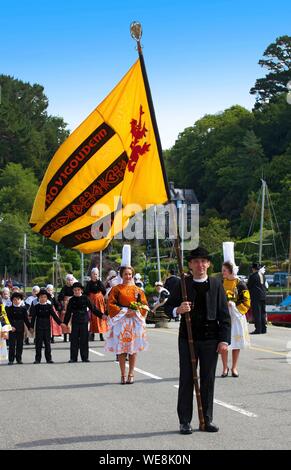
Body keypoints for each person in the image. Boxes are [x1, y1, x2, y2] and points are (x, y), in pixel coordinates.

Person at [165, 246, 231, 434]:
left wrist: (224, 340)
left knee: (207, 380)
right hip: (188, 339)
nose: (200, 265)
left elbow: (224, 315)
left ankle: (206, 420)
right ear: (190, 265)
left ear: (208, 264)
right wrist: (178, 310)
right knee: (187, 379)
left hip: (211, 340)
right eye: (196, 261)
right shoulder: (183, 284)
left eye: (203, 261)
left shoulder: (217, 284)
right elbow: (168, 307)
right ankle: (185, 420)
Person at [105, 265, 149, 384]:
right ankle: (123, 374)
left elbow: (144, 304)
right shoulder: (116, 289)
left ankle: (131, 373)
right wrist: (124, 311)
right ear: (121, 275)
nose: (128, 276)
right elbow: (111, 304)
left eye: (130, 274)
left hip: (134, 321)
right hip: (121, 321)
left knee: (133, 349)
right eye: (126, 274)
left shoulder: (138, 290)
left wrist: (135, 310)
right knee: (122, 349)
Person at [220, 261, 250, 378]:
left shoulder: (240, 284)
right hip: (225, 316)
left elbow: (246, 302)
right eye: (222, 270)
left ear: (231, 271)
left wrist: (233, 305)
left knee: (236, 343)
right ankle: (224, 367)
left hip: (236, 317)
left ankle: (234, 367)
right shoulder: (221, 284)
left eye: (224, 271)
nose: (222, 273)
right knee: (223, 342)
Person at [63, 282, 106, 363]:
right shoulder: (71, 300)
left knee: (84, 340)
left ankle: (85, 357)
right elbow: (68, 312)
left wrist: (102, 315)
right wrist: (65, 323)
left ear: (81, 290)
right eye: (75, 290)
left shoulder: (86, 298)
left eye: (78, 290)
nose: (76, 291)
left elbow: (93, 309)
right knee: (74, 340)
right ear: (73, 291)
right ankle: (73, 358)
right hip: (75, 321)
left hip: (84, 321)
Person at [30, 289, 63, 364]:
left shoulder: (49, 306)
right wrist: (31, 327)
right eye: (41, 297)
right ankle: (37, 359)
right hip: (39, 326)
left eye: (44, 297)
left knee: (47, 343)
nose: (43, 298)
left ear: (47, 298)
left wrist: (61, 324)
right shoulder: (36, 306)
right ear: (39, 298)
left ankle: (49, 359)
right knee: (38, 344)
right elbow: (33, 318)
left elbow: (55, 316)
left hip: (47, 327)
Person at [6, 292, 31, 365]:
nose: (16, 301)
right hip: (12, 328)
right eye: (14, 299)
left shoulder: (23, 309)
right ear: (12, 300)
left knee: (20, 344)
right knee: (12, 345)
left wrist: (30, 327)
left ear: (21, 300)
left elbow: (26, 319)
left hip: (20, 328)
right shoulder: (8, 309)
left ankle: (19, 359)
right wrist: (10, 326)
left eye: (18, 299)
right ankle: (11, 360)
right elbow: (7, 319)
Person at [84, 268, 107, 342]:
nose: (95, 275)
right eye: (94, 274)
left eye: (96, 274)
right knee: (93, 317)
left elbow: (104, 291)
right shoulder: (89, 283)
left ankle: (101, 334)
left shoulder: (100, 282)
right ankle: (92, 334)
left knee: (101, 317)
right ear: (91, 275)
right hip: (92, 302)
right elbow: (86, 292)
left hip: (100, 301)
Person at [248, 262, 267, 334]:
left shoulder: (253, 276)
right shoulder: (262, 275)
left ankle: (258, 329)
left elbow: (249, 286)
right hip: (263, 295)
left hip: (256, 296)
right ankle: (263, 329)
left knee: (257, 313)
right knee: (263, 312)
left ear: (253, 268)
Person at [58, 274, 75, 342]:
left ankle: (71, 336)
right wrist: (62, 306)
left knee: (72, 321)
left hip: (73, 304)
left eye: (71, 280)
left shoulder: (74, 287)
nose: (70, 281)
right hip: (66, 305)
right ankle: (65, 336)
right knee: (65, 320)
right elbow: (60, 298)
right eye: (68, 280)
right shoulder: (64, 288)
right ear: (66, 281)